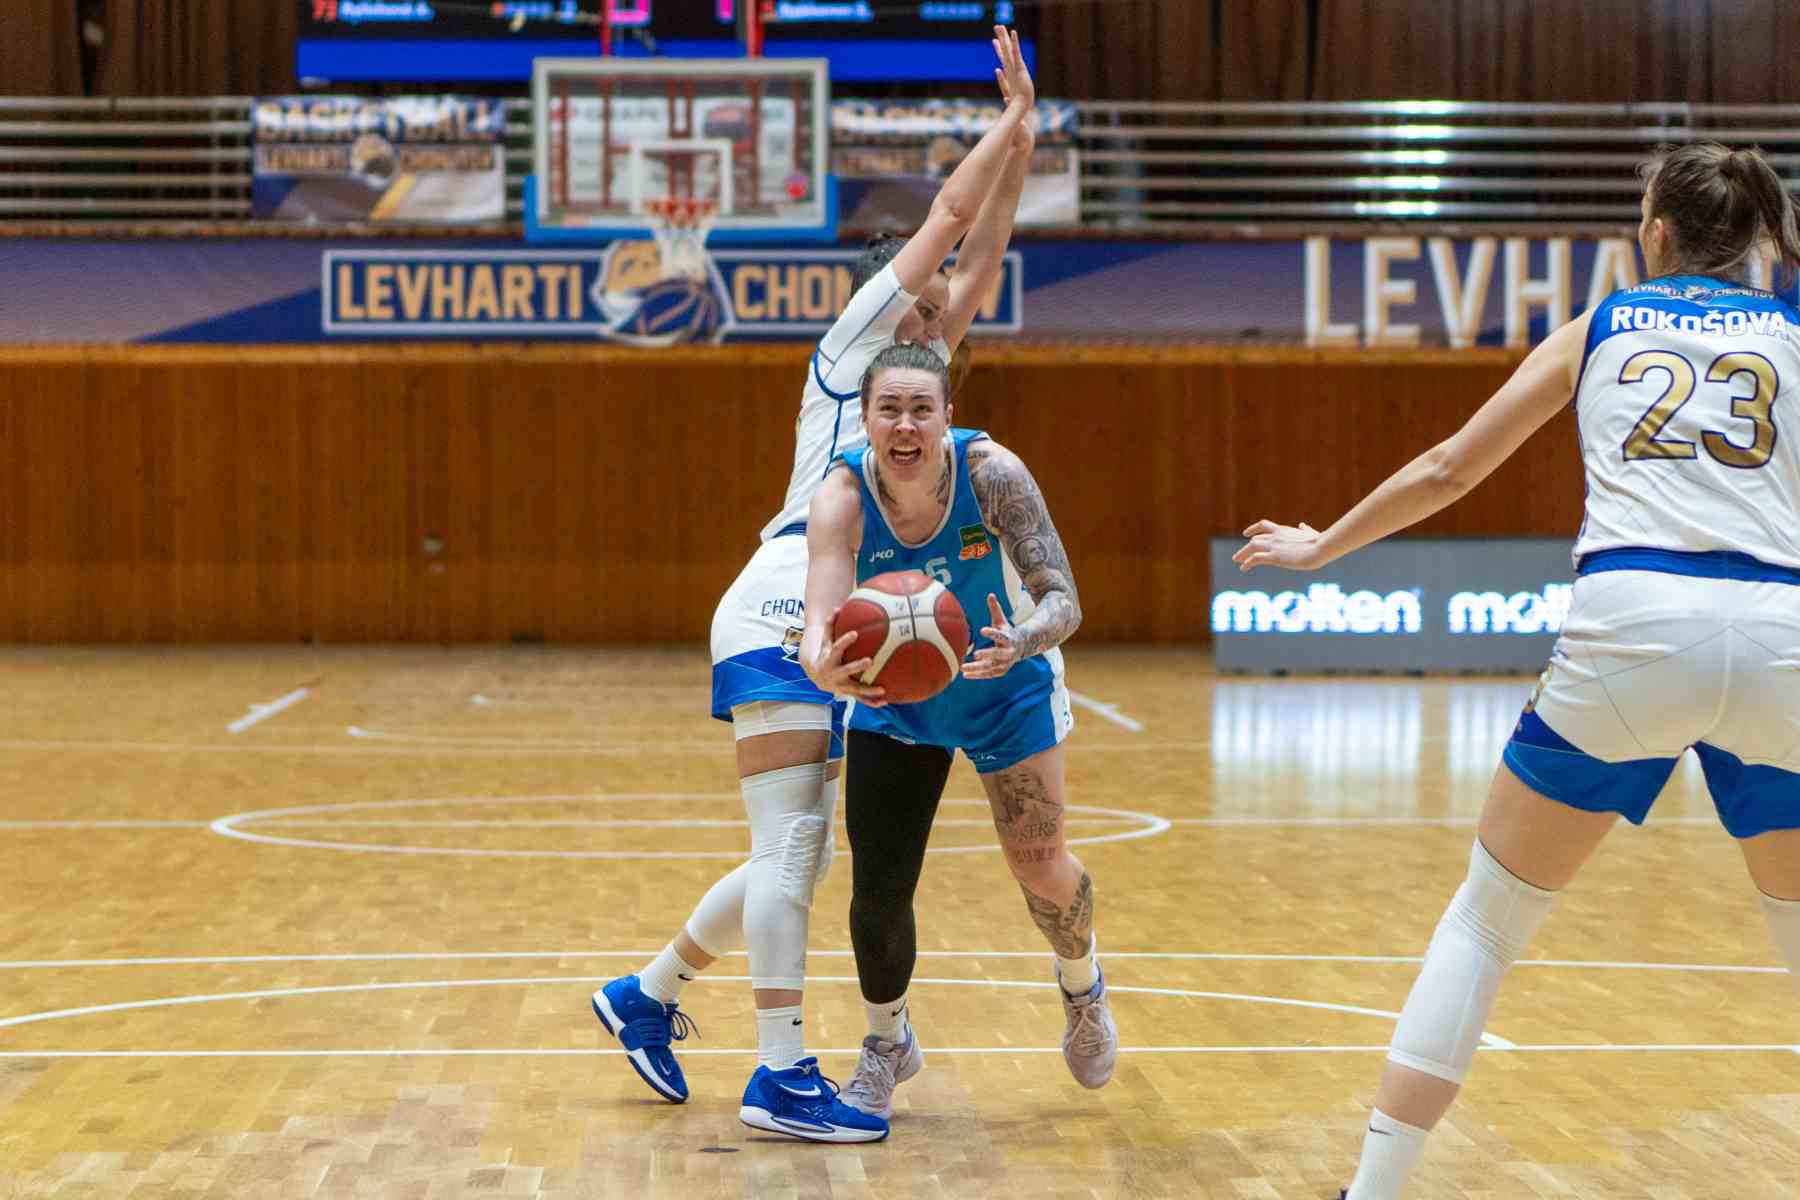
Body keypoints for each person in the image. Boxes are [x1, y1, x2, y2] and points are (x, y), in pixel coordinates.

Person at [1233, 142, 1800, 1200]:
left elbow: (1450, 467)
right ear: (1752, 241)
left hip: (1633, 623)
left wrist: (1323, 547)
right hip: (1783, 632)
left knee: (1487, 920)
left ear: (1656, 234)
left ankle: (1373, 1192)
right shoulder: (1796, 333)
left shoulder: (1601, 328)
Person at [590, 29, 1039, 1144]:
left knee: (795, 849)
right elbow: (952, 217)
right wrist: (1002, 122)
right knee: (794, 850)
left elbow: (981, 254)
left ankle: (647, 992)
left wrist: (1026, 145)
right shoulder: (849, 353)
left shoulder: (915, 378)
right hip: (787, 599)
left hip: (830, 613)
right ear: (895, 297)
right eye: (930, 293)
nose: (948, 303)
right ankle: (780, 1073)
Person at [798, 342, 1118, 1126]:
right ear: (865, 418)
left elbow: (1063, 598)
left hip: (1003, 683)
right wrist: (824, 668)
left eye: (922, 409)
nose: (905, 425)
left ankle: (1082, 986)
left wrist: (1021, 640)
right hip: (896, 699)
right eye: (889, 409)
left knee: (1040, 867)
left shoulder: (993, 475)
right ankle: (886, 1043)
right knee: (879, 887)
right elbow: (817, 622)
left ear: (948, 416)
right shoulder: (842, 493)